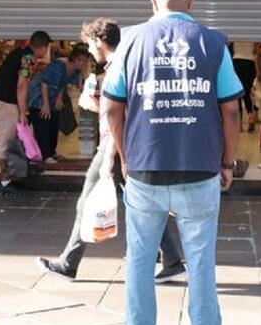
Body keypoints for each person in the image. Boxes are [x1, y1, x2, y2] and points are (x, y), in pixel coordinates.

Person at [104, 0, 242, 325]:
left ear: (153, 3)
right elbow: (230, 109)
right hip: (200, 170)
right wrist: (228, 162)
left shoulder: (129, 41)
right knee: (201, 263)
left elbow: (112, 107)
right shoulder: (214, 42)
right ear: (191, 2)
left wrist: (126, 157)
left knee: (139, 261)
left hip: (145, 170)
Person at [35, 19, 186, 283]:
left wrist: (110, 157)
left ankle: (68, 264)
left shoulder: (117, 68)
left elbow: (121, 115)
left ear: (99, 40)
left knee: (87, 202)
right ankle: (172, 260)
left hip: (114, 145)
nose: (89, 51)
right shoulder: (124, 65)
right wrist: (95, 105)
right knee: (146, 204)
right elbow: (119, 110)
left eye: (90, 45)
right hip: (126, 144)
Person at [0, 31, 52, 192]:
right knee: (6, 139)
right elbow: (22, 86)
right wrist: (23, 112)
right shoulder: (29, 60)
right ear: (44, 47)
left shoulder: (20, 53)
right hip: (5, 102)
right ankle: (4, 181)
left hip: (1, 98)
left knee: (14, 137)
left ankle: (15, 173)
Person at [28, 45, 91, 163]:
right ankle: (45, 155)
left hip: (51, 97)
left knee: (54, 124)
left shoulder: (75, 71)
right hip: (38, 98)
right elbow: (45, 83)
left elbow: (63, 82)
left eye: (85, 61)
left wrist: (59, 97)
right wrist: (45, 105)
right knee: (43, 125)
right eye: (81, 60)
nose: (83, 63)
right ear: (74, 58)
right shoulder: (58, 66)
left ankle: (52, 152)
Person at [230, 43, 260, 132]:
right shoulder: (253, 35)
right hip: (250, 63)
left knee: (238, 94)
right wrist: (259, 70)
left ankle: (239, 125)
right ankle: (251, 116)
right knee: (247, 93)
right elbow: (258, 52)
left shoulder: (235, 34)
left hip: (237, 62)